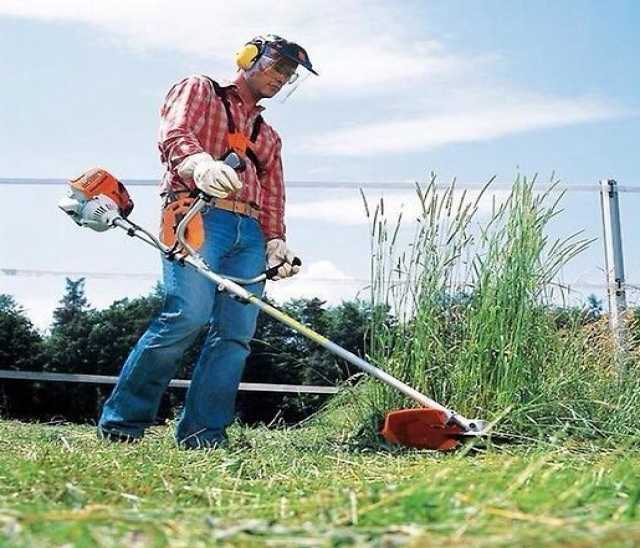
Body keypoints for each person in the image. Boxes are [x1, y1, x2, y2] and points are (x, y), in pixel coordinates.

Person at [98, 35, 317, 448]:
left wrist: (275, 241)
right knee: (186, 315)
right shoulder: (200, 89)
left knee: (235, 335)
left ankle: (204, 435)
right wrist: (197, 164)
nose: (283, 78)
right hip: (195, 214)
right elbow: (175, 131)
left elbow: (273, 193)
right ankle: (123, 425)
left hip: (249, 233)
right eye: (277, 67)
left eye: (289, 74)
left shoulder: (268, 136)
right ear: (249, 58)